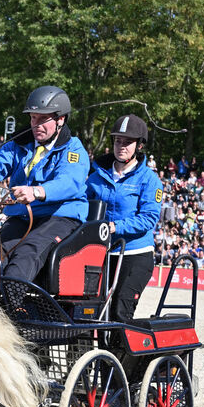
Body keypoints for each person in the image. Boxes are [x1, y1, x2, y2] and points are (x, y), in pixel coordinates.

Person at [0, 85, 89, 281]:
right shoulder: (19, 145)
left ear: (60, 119)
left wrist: (37, 191)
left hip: (59, 217)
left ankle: (16, 307)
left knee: (26, 255)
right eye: (32, 118)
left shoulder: (73, 150)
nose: (36, 125)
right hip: (24, 217)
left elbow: (69, 182)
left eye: (43, 119)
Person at [86, 115, 163, 322]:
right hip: (101, 253)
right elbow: (83, 208)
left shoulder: (149, 180)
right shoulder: (95, 177)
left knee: (120, 310)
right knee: (90, 311)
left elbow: (148, 219)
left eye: (128, 142)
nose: (121, 146)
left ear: (139, 145)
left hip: (135, 254)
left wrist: (114, 227)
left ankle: (121, 354)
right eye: (118, 141)